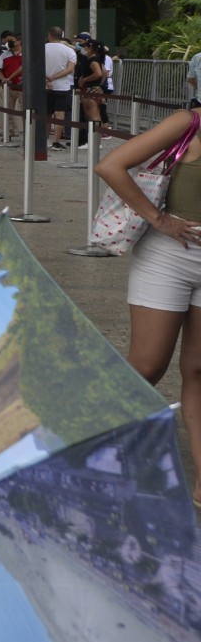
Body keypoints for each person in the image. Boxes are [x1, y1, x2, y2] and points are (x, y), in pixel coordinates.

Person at [92, 104, 201, 508]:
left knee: (198, 370)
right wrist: (159, 219)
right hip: (170, 255)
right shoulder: (189, 122)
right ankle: (88, 443)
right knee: (147, 366)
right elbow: (111, 165)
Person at [43, 26, 78, 149]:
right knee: (60, 114)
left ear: (50, 35)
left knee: (46, 115)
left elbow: (35, 65)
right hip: (62, 86)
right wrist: (54, 77)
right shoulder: (69, 51)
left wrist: (48, 78)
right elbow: (70, 69)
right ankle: (56, 141)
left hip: (44, 86)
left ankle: (44, 140)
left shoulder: (41, 48)